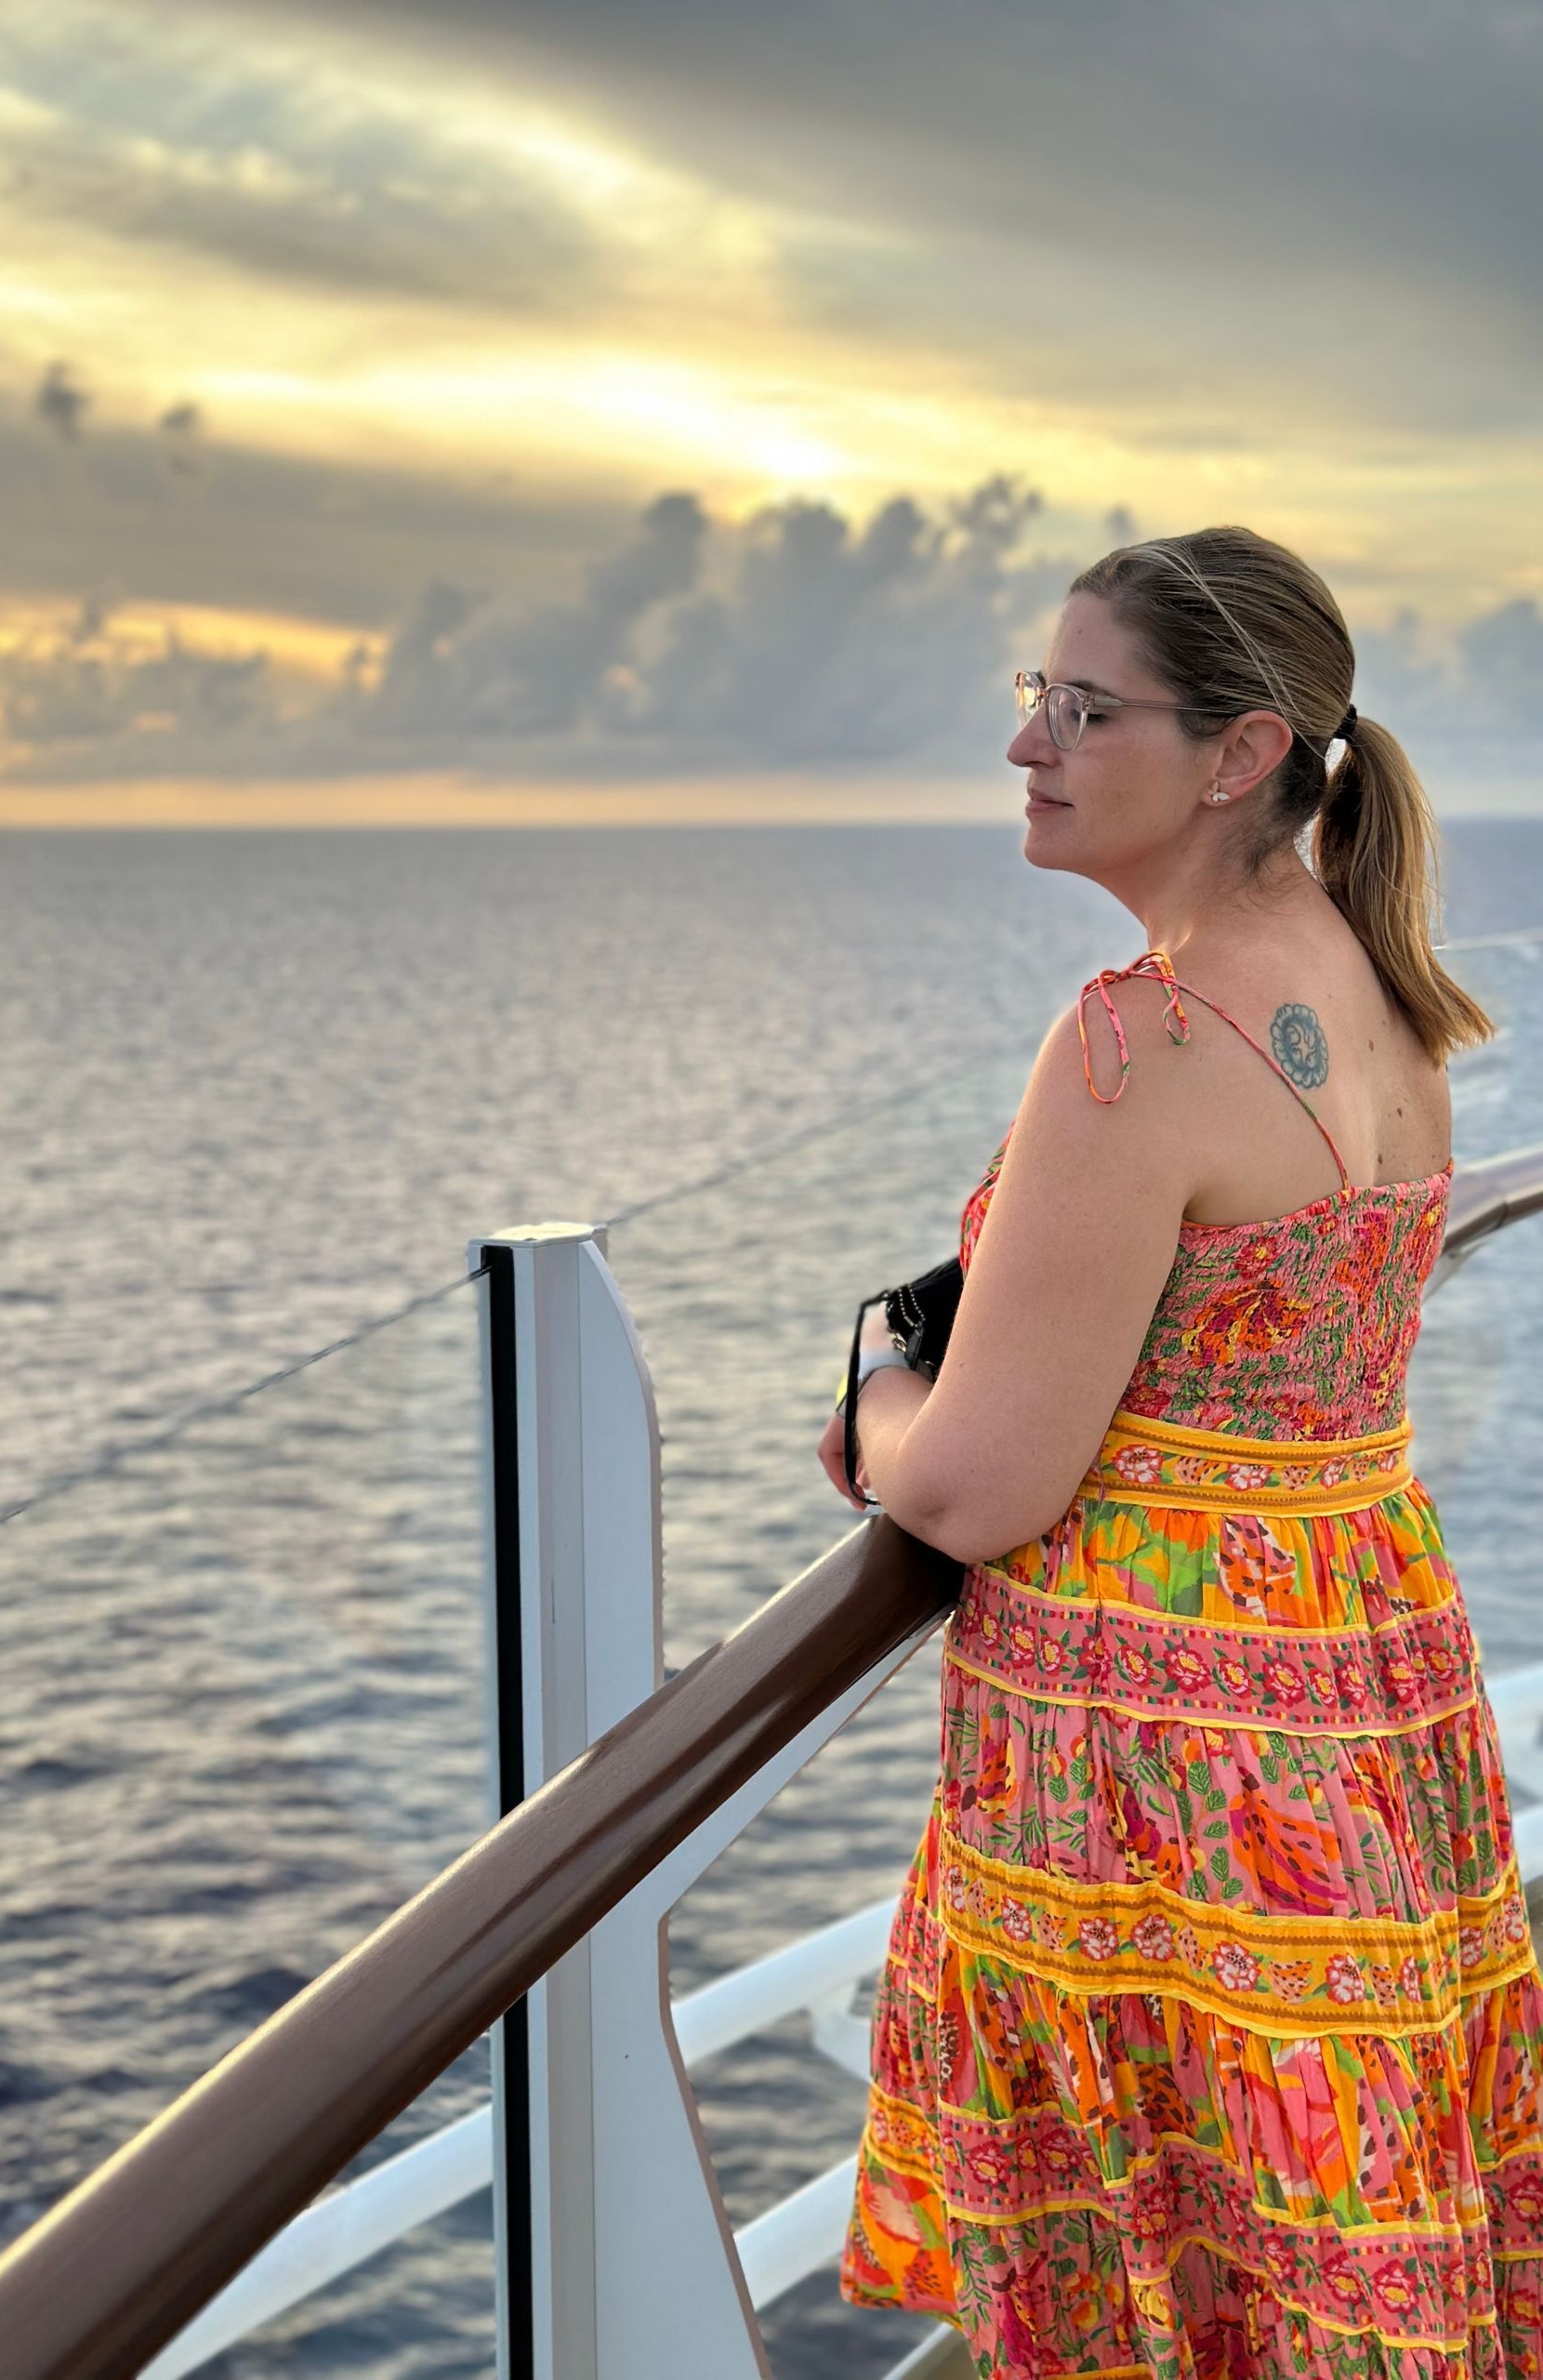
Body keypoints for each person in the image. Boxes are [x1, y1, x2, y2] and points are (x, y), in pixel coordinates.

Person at [823, 525, 1543, 2375]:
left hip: (1174, 1770)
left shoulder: (1137, 1041)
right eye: (1029, 698)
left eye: (1083, 706)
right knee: (1325, 2234)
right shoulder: (1384, 986)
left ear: (1234, 754)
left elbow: (981, 1488)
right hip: (1358, 1696)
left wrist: (873, 1406)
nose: (1027, 744)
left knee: (1178, 2276)